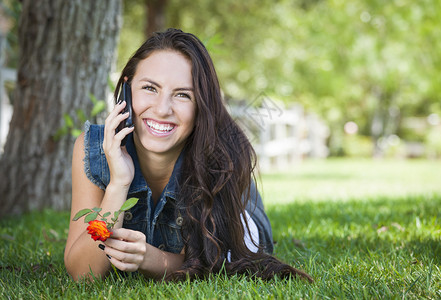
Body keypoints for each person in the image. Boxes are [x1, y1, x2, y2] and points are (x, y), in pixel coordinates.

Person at [64, 28, 313, 282]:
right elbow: (83, 273)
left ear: (200, 104)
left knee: (241, 247)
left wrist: (148, 258)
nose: (162, 109)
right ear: (127, 90)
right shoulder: (93, 147)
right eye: (150, 88)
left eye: (183, 95)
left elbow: (213, 264)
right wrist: (118, 184)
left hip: (237, 209)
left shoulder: (221, 158)